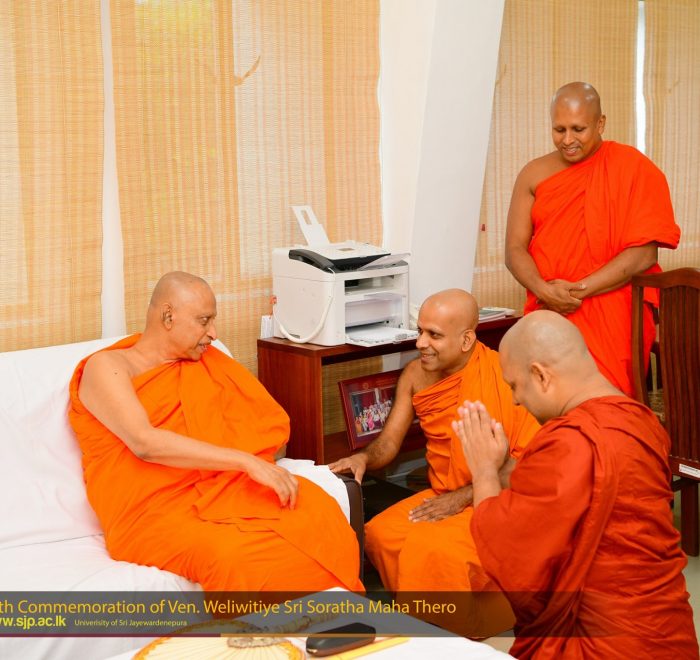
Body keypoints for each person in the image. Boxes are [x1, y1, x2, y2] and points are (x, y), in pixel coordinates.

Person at [69, 271, 362, 593]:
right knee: (235, 557)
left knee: (320, 514)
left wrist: (253, 464)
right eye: (204, 321)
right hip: (152, 512)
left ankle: (335, 617)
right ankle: (271, 627)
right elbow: (144, 442)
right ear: (168, 317)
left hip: (224, 487)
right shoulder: (108, 367)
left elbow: (267, 431)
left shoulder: (207, 363)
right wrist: (246, 462)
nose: (213, 333)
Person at [453, 311, 698, 658]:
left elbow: (509, 549)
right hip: (666, 630)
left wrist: (483, 472)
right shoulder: (639, 420)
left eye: (514, 386)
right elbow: (581, 491)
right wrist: (503, 465)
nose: (515, 400)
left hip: (602, 642)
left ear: (541, 375)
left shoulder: (571, 440)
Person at [329, 288, 540, 635]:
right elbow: (389, 442)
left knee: (433, 548)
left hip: (497, 496)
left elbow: (525, 466)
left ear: (466, 340)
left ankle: (462, 626)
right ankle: (426, 616)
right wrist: (362, 458)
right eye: (420, 331)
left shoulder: (503, 376)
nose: (420, 343)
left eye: (434, 335)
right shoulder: (415, 374)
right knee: (380, 534)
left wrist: (460, 499)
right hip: (442, 492)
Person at [505, 81, 680, 397]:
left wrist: (577, 291)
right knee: (544, 399)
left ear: (600, 123)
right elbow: (514, 249)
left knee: (605, 403)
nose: (567, 140)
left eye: (578, 129)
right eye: (559, 130)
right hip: (549, 309)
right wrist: (544, 290)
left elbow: (643, 254)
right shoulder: (533, 174)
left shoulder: (634, 168)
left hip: (613, 310)